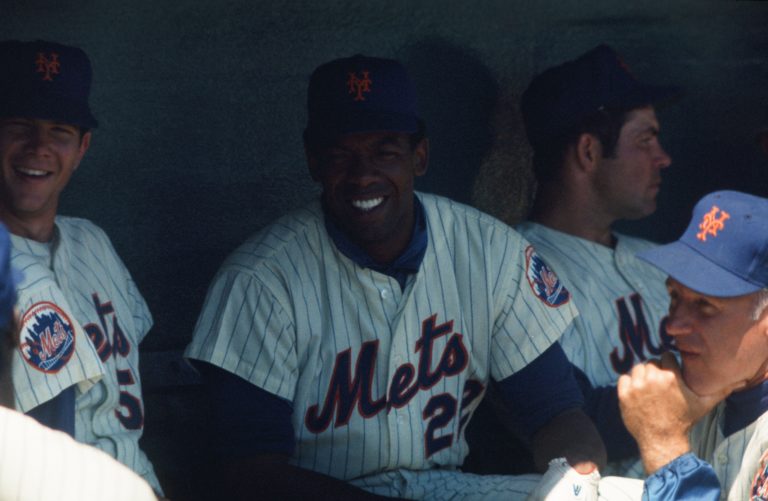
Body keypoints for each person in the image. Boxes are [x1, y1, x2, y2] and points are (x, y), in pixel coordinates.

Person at [185, 54, 608, 500]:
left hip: (448, 486)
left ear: (419, 155)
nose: (363, 175)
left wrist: (576, 481)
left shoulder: (489, 250)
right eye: (340, 155)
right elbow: (250, 477)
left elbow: (557, 412)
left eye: (384, 152)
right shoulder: (260, 281)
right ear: (313, 161)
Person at [0, 40, 164, 495]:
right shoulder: (7, 270)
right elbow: (44, 457)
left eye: (59, 131)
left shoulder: (92, 241)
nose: (39, 148)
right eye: (19, 126)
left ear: (82, 148)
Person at [512, 44, 679, 462]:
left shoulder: (664, 261)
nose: (663, 158)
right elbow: (574, 421)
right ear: (588, 152)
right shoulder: (514, 270)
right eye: (645, 140)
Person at [613, 190, 768, 499]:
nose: (673, 325)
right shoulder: (701, 398)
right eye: (675, 297)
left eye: (704, 304)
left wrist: (664, 442)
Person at [0, 221, 157, 501]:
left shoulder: (91, 240)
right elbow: (50, 474)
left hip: (133, 473)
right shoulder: (28, 282)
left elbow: (136, 340)